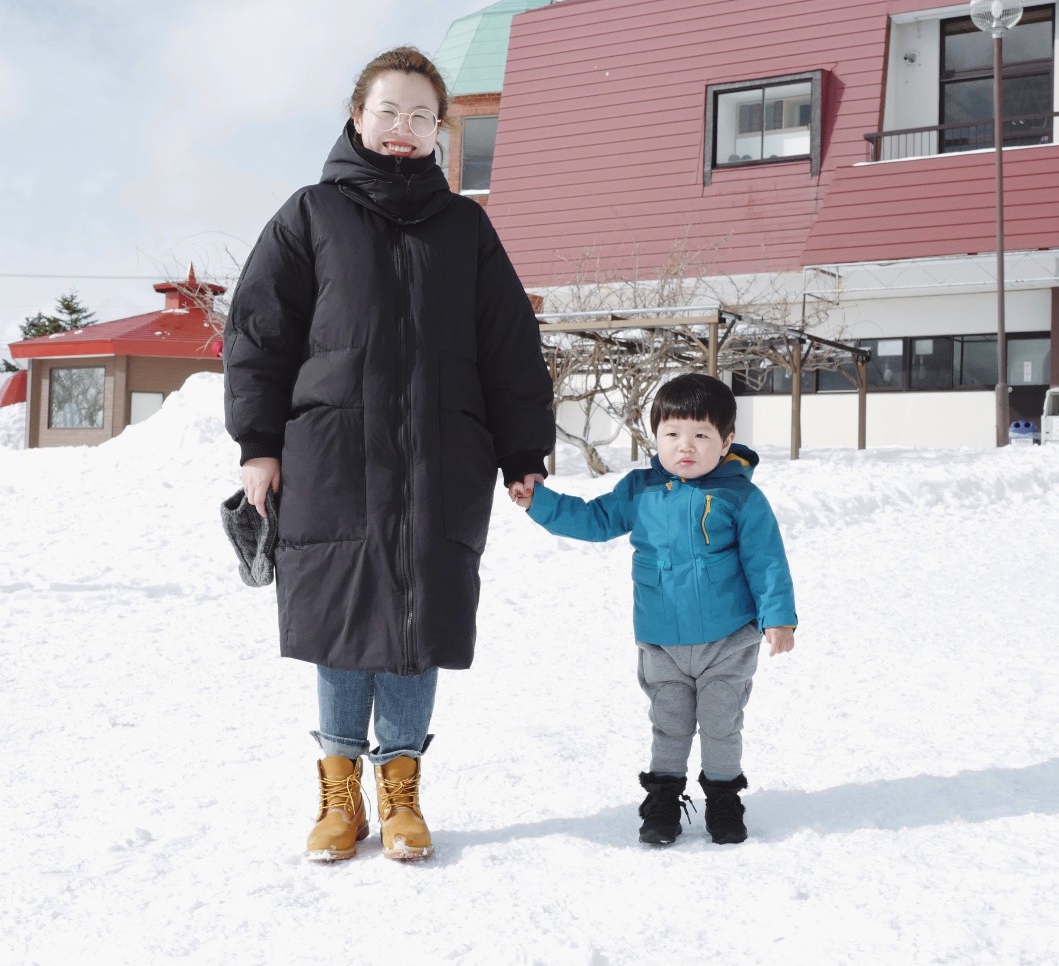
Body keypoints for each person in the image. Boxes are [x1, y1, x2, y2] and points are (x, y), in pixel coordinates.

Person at [225, 46, 554, 864]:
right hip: (333, 455)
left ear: (438, 129)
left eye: (419, 116)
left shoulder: (467, 228)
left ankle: (401, 790)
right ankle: (340, 795)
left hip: (442, 457)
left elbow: (509, 344)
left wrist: (521, 447)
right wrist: (258, 445)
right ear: (356, 115)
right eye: (388, 112)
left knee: (418, 619)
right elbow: (259, 334)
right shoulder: (310, 216)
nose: (402, 129)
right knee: (343, 618)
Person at [508, 373, 795, 847]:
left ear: (726, 442)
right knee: (670, 723)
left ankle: (724, 798)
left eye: (702, 435)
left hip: (727, 638)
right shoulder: (640, 491)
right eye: (673, 434)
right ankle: (663, 798)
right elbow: (594, 520)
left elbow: (766, 560)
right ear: (655, 437)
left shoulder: (740, 496)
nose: (686, 446)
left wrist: (778, 617)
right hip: (661, 639)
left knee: (722, 723)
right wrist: (540, 502)